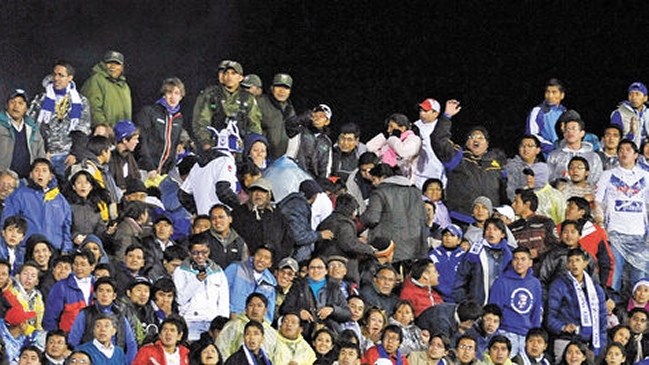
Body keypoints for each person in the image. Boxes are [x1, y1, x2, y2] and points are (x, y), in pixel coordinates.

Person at [431, 99, 506, 222]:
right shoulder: (459, 158)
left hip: (491, 223)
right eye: (472, 137)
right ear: (467, 143)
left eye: (481, 137)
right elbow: (439, 141)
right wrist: (446, 116)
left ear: (487, 144)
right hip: (462, 219)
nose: (476, 140)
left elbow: (506, 192)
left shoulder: (498, 164)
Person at [595, 138, 649, 296]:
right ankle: (614, 314)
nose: (624, 153)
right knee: (614, 276)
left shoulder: (645, 176)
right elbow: (598, 202)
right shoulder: (608, 174)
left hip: (639, 234)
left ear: (636, 155)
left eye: (628, 150)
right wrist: (601, 225)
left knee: (639, 278)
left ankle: (636, 312)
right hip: (615, 233)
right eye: (621, 150)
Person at [27, 60, 91, 179]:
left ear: (70, 78)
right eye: (54, 74)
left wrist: (75, 154)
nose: (56, 78)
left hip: (68, 156)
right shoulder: (41, 98)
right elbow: (31, 125)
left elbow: (82, 130)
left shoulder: (80, 101)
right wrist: (42, 152)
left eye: (61, 75)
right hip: (46, 156)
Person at [361, 163, 428, 265]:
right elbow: (424, 217)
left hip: (390, 248)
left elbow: (372, 218)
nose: (373, 184)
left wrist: (361, 218)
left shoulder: (379, 192)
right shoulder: (416, 191)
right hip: (414, 247)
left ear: (383, 177)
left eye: (374, 179)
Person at [1, 158, 72, 253]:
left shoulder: (60, 200)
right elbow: (7, 222)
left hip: (54, 251)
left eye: (44, 170)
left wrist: (66, 250)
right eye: (36, 170)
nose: (40, 174)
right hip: (25, 250)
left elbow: (66, 227)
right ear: (31, 175)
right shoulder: (19, 195)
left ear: (50, 176)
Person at [547, 248, 607, 359]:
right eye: (570, 261)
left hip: (588, 344)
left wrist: (598, 348)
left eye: (578, 260)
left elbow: (602, 321)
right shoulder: (559, 285)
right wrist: (563, 327)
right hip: (565, 340)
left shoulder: (596, 289)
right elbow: (550, 317)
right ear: (567, 265)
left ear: (585, 263)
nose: (574, 264)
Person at [216, 177, 292, 263]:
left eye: (262, 191)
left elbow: (288, 240)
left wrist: (277, 258)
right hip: (245, 262)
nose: (258, 194)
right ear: (250, 194)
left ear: (269, 195)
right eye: (254, 191)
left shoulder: (277, 215)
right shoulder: (238, 213)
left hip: (272, 263)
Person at [193, 60, 262, 149]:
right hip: (216, 146)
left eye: (233, 73)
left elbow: (255, 126)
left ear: (240, 78)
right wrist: (206, 142)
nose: (229, 76)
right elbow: (202, 122)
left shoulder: (248, 99)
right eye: (226, 73)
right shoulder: (212, 96)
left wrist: (252, 145)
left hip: (241, 148)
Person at [67, 277, 138, 363]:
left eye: (108, 291)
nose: (104, 294)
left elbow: (131, 344)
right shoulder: (85, 314)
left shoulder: (120, 316)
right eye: (101, 291)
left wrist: (127, 362)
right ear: (95, 294)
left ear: (114, 296)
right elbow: (73, 341)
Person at [488, 247, 543, 358]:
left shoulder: (535, 283)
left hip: (526, 336)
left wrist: (534, 337)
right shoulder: (501, 282)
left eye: (523, 259)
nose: (519, 263)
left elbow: (536, 311)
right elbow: (494, 311)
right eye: (516, 259)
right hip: (505, 333)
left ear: (530, 262)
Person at [179, 120, 241, 215]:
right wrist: (239, 208)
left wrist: (197, 212)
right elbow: (223, 191)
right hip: (220, 220)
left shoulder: (198, 164)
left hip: (203, 221)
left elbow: (183, 195)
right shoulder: (225, 161)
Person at [173, 234, 229, 341]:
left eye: (204, 252)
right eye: (195, 253)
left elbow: (223, 300)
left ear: (209, 251)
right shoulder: (181, 271)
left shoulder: (217, 271)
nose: (200, 256)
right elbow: (179, 299)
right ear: (189, 252)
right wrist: (196, 281)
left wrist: (222, 323)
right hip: (190, 321)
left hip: (212, 322)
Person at [280, 256, 351, 335]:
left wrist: (332, 310)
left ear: (326, 271)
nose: (316, 270)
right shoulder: (298, 286)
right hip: (304, 332)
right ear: (308, 270)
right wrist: (299, 312)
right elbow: (285, 308)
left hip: (329, 333)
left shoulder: (334, 288)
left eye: (319, 267)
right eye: (312, 267)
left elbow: (347, 314)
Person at [315, 193, 376, 283]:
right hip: (342, 266)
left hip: (326, 261)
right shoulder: (343, 223)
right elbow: (348, 244)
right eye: (354, 211)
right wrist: (369, 249)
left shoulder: (327, 221)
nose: (355, 215)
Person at [135, 77, 188, 177]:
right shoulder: (150, 112)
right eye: (169, 93)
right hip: (145, 170)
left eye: (176, 93)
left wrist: (168, 169)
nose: (173, 97)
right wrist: (149, 167)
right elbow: (142, 141)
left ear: (181, 96)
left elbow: (173, 147)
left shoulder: (178, 118)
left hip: (164, 173)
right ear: (164, 94)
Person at [454, 218, 513, 305]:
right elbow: (461, 278)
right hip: (478, 305)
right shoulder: (474, 252)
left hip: (504, 304)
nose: (491, 232)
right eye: (488, 229)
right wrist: (464, 302)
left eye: (495, 229)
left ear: (503, 234)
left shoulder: (511, 254)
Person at [43, 249, 95, 332]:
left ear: (92, 267)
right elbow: (50, 316)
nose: (78, 268)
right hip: (67, 337)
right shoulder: (61, 286)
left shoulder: (97, 286)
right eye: (76, 264)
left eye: (83, 264)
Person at [215, 293, 277, 361]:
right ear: (246, 308)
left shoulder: (271, 332)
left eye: (259, 306)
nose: (255, 309)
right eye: (251, 305)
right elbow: (221, 349)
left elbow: (275, 357)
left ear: (265, 310)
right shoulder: (233, 326)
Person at [547, 110, 603, 184]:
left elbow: (597, 180)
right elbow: (549, 179)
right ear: (564, 134)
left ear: (582, 133)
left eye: (574, 128)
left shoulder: (593, 157)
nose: (570, 132)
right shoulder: (554, 155)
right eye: (567, 129)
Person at [0, 89, 46, 179]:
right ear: (6, 105)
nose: (16, 106)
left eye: (21, 103)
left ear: (26, 108)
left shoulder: (33, 128)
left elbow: (40, 154)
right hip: (3, 180)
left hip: (27, 180)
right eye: (12, 102)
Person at [225, 245, 277, 322]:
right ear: (252, 256)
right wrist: (230, 312)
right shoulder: (236, 268)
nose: (261, 260)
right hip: (230, 319)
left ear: (270, 264)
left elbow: (269, 314)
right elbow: (221, 294)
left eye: (266, 258)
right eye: (259, 255)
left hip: (253, 327)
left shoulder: (270, 284)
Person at [81, 50, 131, 127]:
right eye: (109, 63)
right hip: (103, 134)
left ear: (122, 67)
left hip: (120, 134)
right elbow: (92, 108)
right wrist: (104, 127)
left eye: (117, 64)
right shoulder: (96, 80)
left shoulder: (125, 86)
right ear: (103, 64)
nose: (113, 66)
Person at [509, 189, 559, 265]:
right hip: (520, 270)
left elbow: (555, 245)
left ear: (527, 204)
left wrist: (538, 252)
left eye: (516, 202)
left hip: (543, 269)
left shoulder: (545, 222)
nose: (513, 205)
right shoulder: (512, 227)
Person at [366, 112, 422, 180]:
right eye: (388, 126)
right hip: (385, 177)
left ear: (402, 128)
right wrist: (384, 135)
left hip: (405, 180)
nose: (389, 130)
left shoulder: (414, 139)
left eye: (391, 126)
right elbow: (369, 147)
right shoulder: (391, 139)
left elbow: (402, 152)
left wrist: (393, 137)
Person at [258, 73, 295, 159]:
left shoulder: (290, 109)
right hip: (262, 158)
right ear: (272, 88)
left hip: (281, 160)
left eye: (286, 88)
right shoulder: (260, 102)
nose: (282, 91)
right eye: (278, 86)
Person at [526, 78, 567, 155]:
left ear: (562, 95)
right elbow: (532, 135)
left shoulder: (564, 112)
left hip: (563, 154)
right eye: (548, 92)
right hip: (545, 155)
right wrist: (552, 147)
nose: (550, 96)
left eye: (554, 92)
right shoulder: (538, 111)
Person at [413, 98, 446, 189]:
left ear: (435, 113)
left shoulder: (441, 128)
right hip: (418, 175)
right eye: (421, 110)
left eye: (426, 111)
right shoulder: (414, 126)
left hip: (437, 174)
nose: (421, 113)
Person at [506, 135, 550, 202]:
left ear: (538, 150)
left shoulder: (542, 168)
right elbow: (510, 191)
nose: (526, 149)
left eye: (530, 146)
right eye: (523, 146)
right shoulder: (511, 167)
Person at [610, 82, 649, 148]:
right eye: (631, 94)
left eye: (637, 94)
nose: (634, 97)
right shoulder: (619, 113)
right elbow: (613, 140)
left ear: (645, 98)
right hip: (627, 153)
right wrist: (631, 134)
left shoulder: (647, 113)